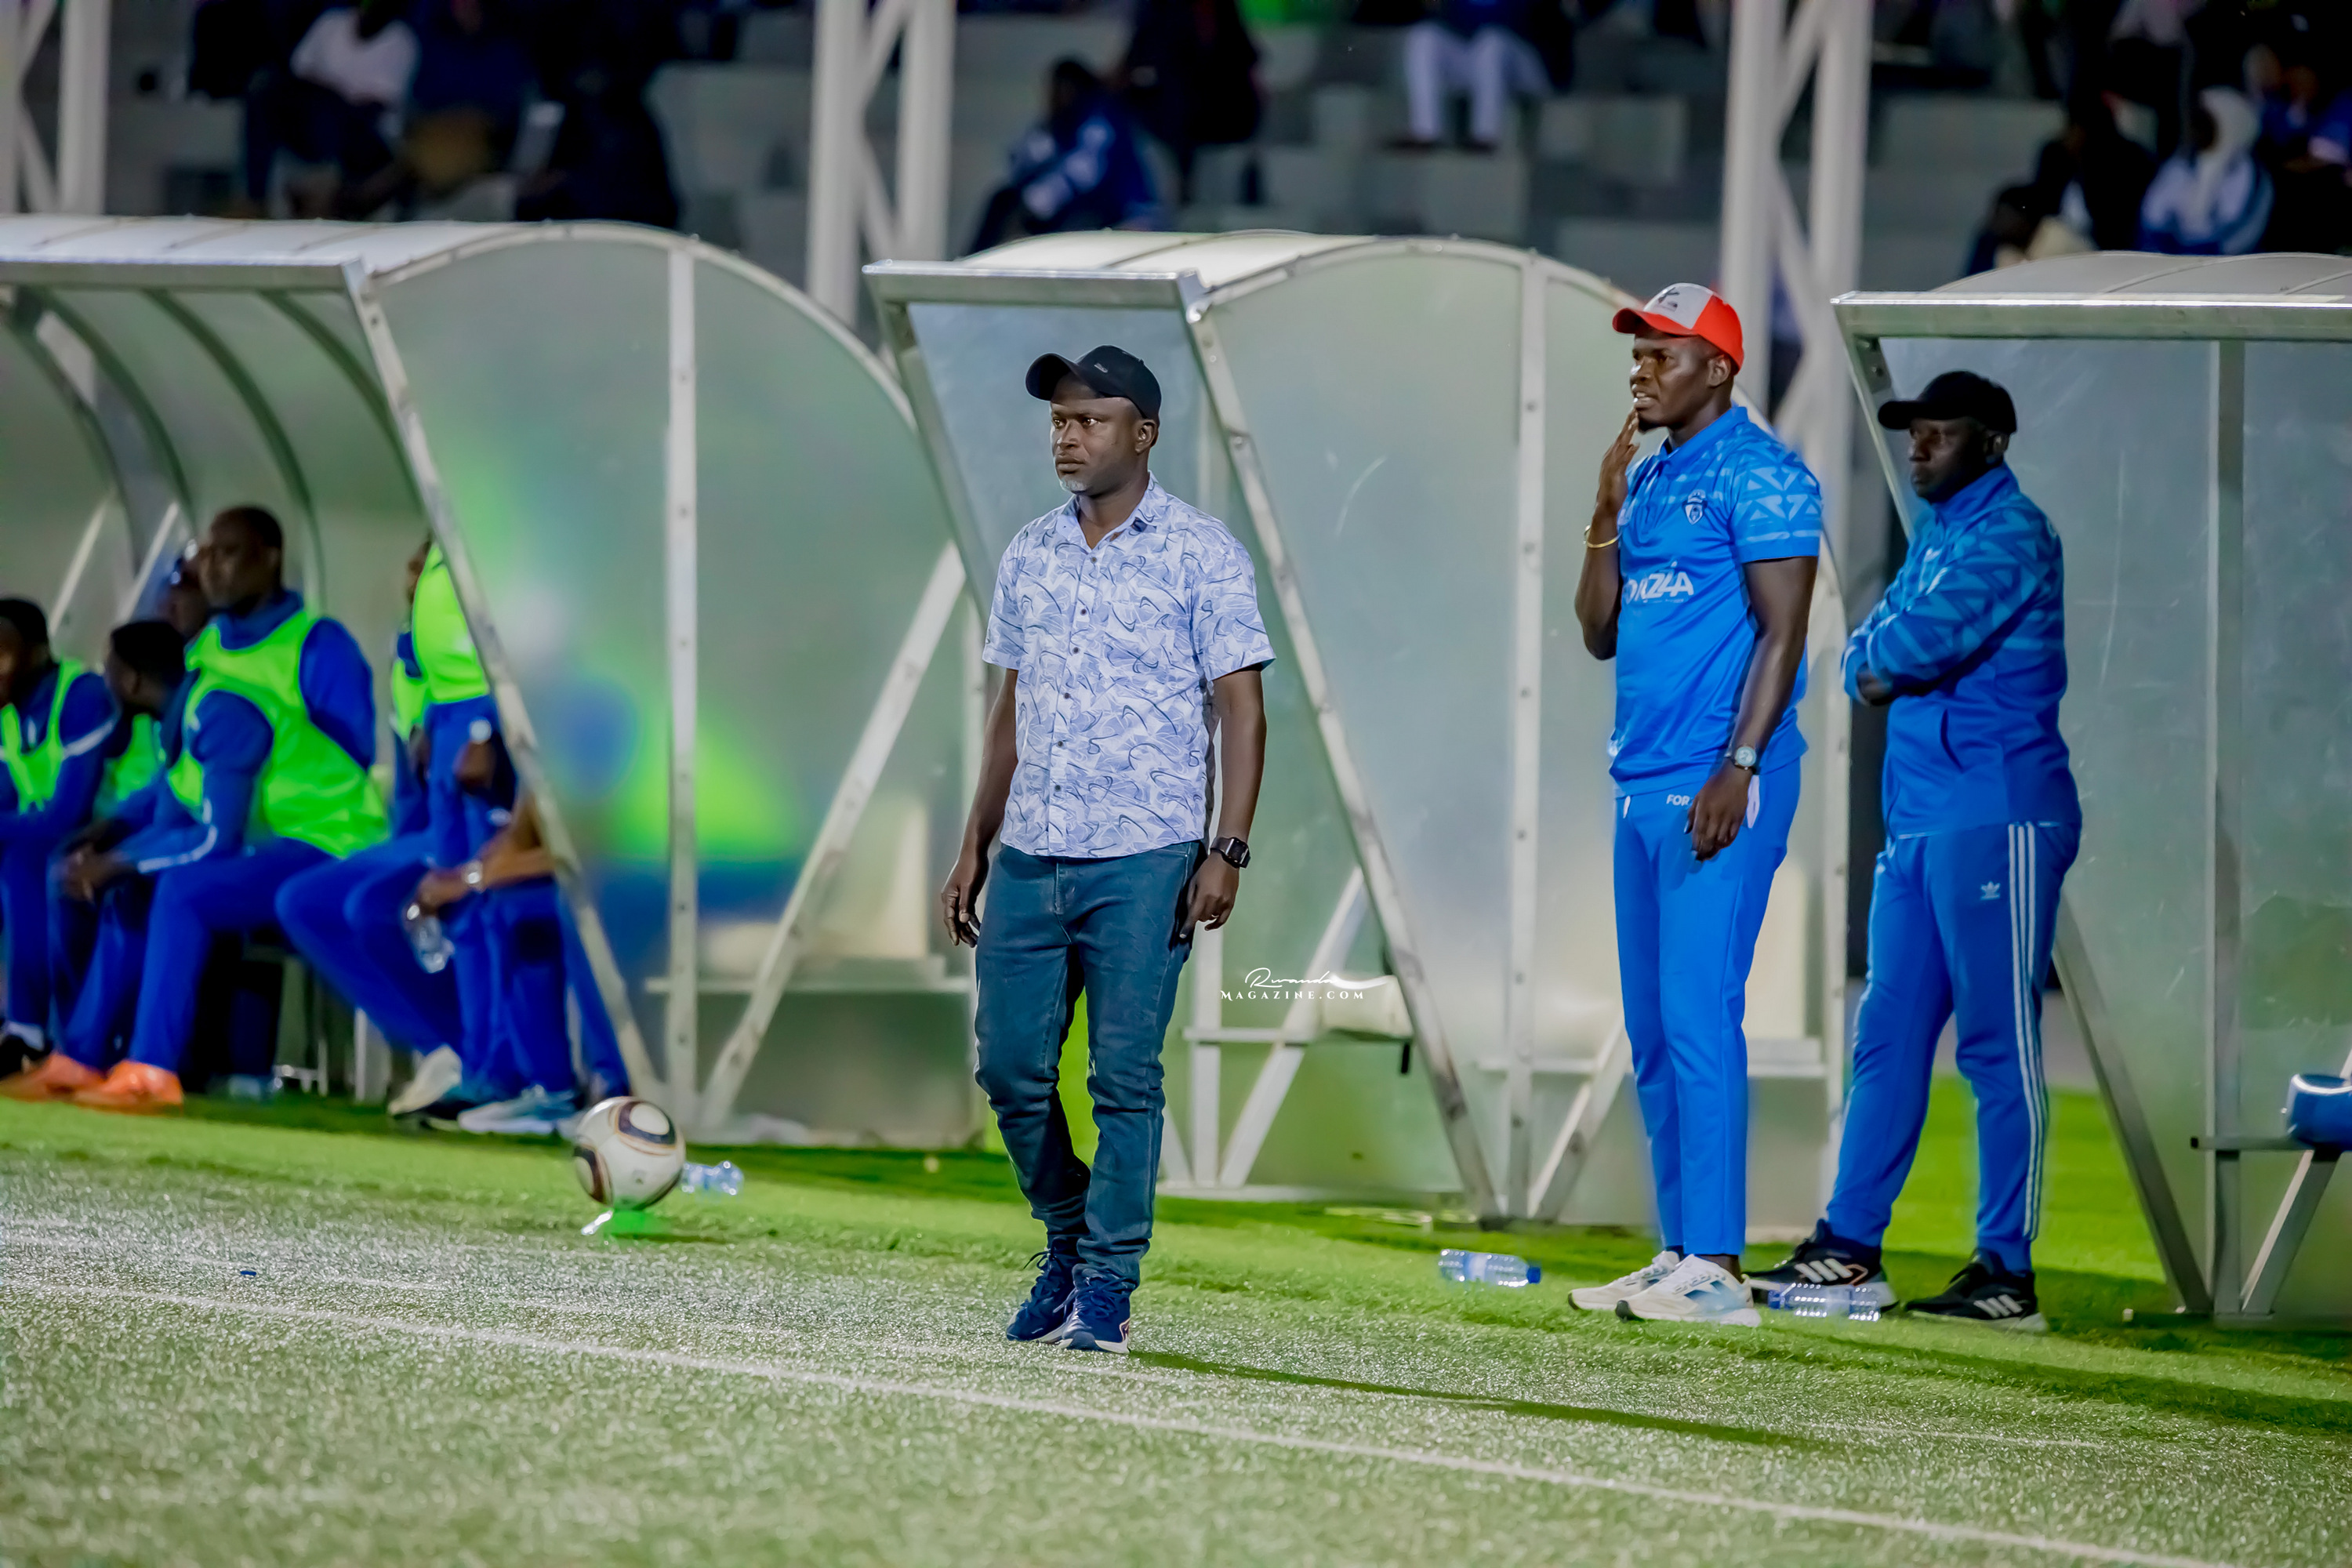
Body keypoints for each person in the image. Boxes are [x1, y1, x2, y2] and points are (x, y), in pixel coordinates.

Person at [942, 345, 1269, 1355]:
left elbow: (1242, 708)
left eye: (1089, 419)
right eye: (1059, 421)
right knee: (1010, 1071)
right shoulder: (1031, 551)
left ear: (1144, 432)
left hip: (1146, 857)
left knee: (1124, 1078)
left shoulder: (1202, 552)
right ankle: (1068, 1233)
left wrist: (1227, 848)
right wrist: (974, 844)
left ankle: (1107, 1286)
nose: (1068, 436)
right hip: (1031, 854)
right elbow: (1011, 708)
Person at [1750, 372, 2079, 1332]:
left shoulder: (2013, 533)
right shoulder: (1940, 533)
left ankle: (2007, 1270)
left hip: (1998, 814)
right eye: (1914, 432)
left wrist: (1879, 651)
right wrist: (1876, 651)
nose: (1919, 447)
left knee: (1996, 1043)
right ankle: (1849, 1247)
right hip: (1922, 823)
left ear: (1993, 443)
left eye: (1941, 433)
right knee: (1885, 1037)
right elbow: (1859, 656)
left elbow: (1896, 653)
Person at [1564, 284, 1820, 1328]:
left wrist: (1740, 765)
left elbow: (1785, 631)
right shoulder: (1651, 476)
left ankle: (1719, 1264)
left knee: (1701, 1015)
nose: (1641, 373)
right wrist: (1603, 511)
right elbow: (1598, 633)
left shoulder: (1766, 474)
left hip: (1718, 783)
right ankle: (1678, 1251)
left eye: (1661, 355)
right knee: (1656, 1028)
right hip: (1641, 781)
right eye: (1636, 356)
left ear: (1718, 369)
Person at [49, 507, 387, 1112]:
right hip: (259, 838)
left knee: (182, 888)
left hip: (327, 839)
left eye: (227, 553)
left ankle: (153, 1070)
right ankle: (80, 1059)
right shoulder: (200, 659)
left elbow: (343, 757)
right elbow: (181, 788)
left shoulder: (307, 649)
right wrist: (115, 841)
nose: (211, 568)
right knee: (133, 884)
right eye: (206, 555)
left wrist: (123, 857)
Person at [274, 539, 467, 1118]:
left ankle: (470, 1052)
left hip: (471, 835)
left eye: (430, 562)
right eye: (416, 560)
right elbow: (411, 789)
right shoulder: (410, 661)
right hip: (423, 835)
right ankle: (440, 1046)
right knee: (305, 902)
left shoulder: (479, 660)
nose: (414, 571)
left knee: (372, 906)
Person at [408, 787, 630, 1131]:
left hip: (644, 872)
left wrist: (474, 878)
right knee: (514, 907)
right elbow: (521, 834)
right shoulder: (549, 756)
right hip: (586, 873)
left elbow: (598, 850)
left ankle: (613, 1088)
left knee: (577, 909)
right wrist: (468, 876)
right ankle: (550, 1089)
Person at [0, 600, 118, 1073]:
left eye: (2, 654)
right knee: (20, 855)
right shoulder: (8, 713)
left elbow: (70, 814)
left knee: (22, 860)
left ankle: (27, 1030)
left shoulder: (81, 696)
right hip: (45, 841)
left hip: (112, 832)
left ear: (36, 652)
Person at [240, 0, 416, 216]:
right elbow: (299, 77)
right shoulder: (330, 23)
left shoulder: (402, 40)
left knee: (331, 115)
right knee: (264, 89)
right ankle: (255, 199)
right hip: (311, 119)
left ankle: (328, 196)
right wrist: (325, 97)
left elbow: (372, 109)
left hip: (364, 140)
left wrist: (330, 97)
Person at [970, 60, 1161, 252]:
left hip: (1126, 217)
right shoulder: (1059, 124)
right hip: (1084, 215)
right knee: (1003, 199)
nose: (1054, 97)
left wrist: (1033, 204)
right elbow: (1023, 164)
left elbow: (1081, 174)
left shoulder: (1100, 120)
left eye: (1061, 89)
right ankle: (977, 258)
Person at [1118, 0, 1261, 204]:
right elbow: (1143, 52)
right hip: (1177, 101)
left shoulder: (1223, 6)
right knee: (1174, 103)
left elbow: (1242, 52)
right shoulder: (1162, 7)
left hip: (1220, 104)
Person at [1397, 0, 1562, 152]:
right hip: (1477, 59)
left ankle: (1486, 136)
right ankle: (1426, 131)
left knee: (1492, 42)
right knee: (1424, 36)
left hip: (1529, 64)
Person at [2140, 86, 2274, 254]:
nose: (2198, 130)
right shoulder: (2183, 163)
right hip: (2172, 258)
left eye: (2207, 122)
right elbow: (2153, 215)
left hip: (2224, 262)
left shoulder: (2249, 174)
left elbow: (2243, 235)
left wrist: (2199, 255)